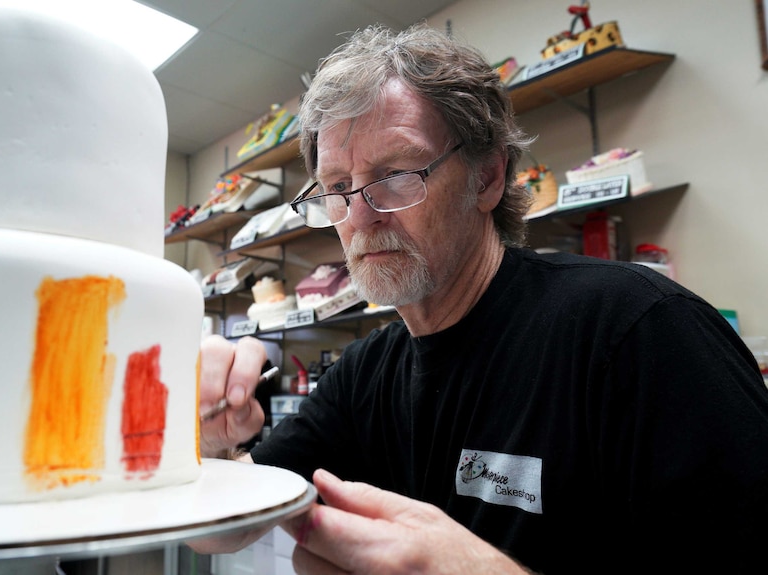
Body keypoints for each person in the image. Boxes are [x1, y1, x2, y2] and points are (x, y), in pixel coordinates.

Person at [196, 23, 768, 574]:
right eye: (338, 188)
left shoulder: (638, 332)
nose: (361, 216)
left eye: (396, 172)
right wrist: (209, 443)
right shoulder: (364, 374)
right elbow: (221, 531)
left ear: (488, 178)